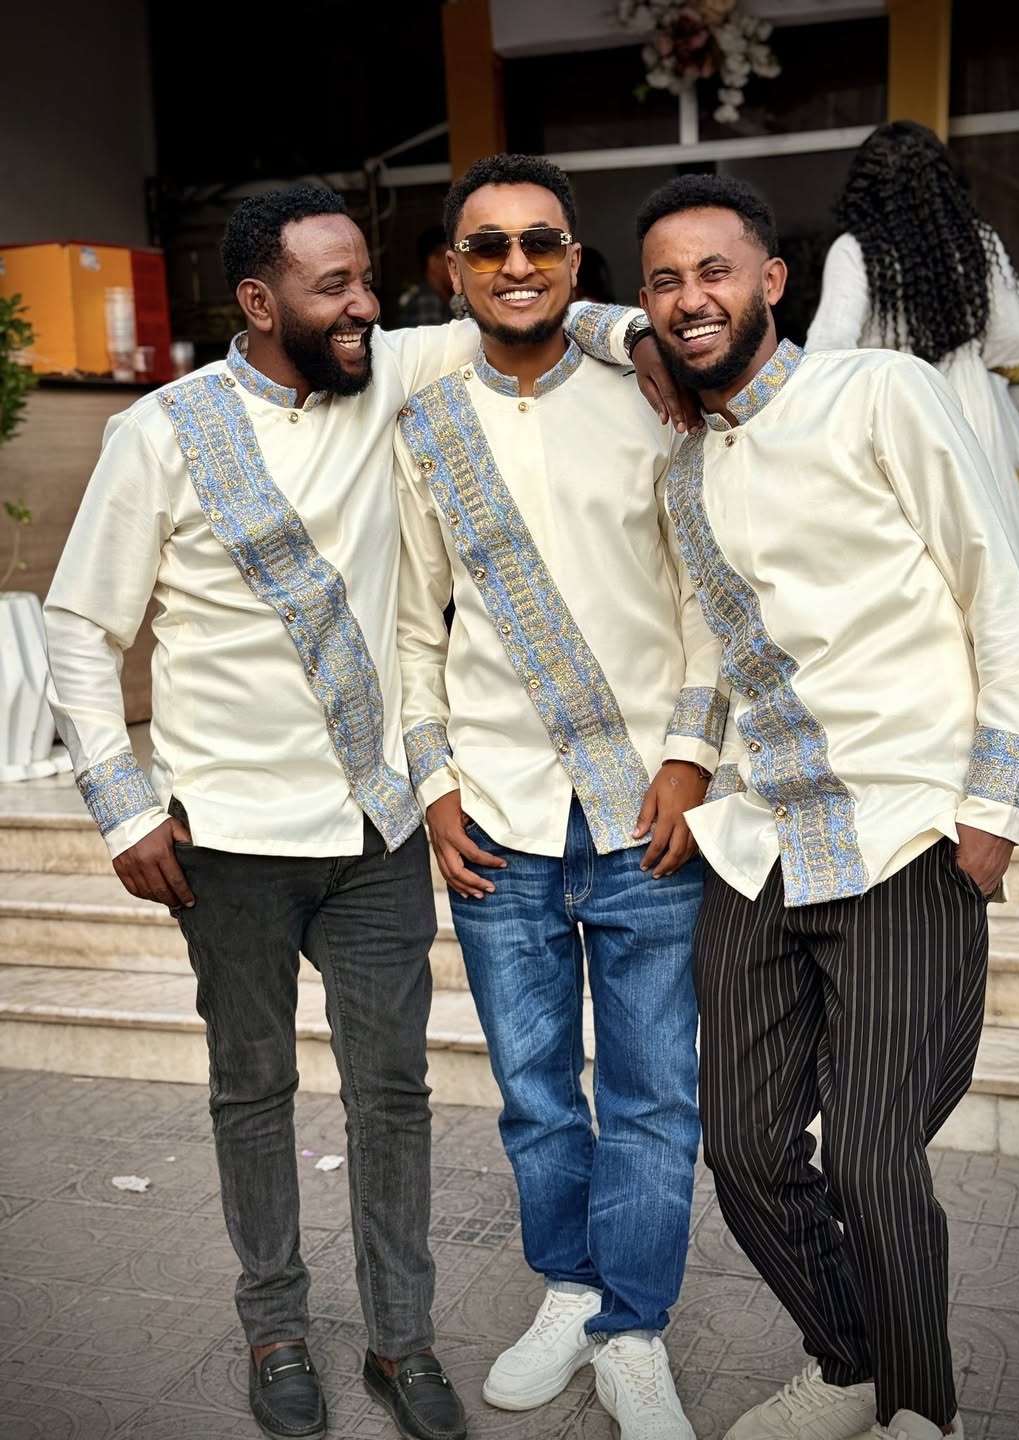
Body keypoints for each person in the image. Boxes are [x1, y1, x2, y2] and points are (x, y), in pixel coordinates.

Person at [42, 183, 681, 1440]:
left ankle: (402, 1342)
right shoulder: (162, 432)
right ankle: (276, 1327)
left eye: (366, 283)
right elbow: (78, 625)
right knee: (251, 1092)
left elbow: (526, 301)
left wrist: (639, 334)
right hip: (226, 839)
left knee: (393, 1099)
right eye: (332, 287)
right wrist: (123, 808)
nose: (363, 307)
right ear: (258, 301)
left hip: (377, 832)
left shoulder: (384, 368)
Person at [636, 172, 1019, 1440]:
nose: (689, 299)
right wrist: (687, 761)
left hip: (904, 825)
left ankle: (923, 1410)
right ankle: (850, 1362)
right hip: (759, 842)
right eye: (663, 282)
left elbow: (996, 588)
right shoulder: (684, 471)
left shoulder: (881, 392)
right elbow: (706, 646)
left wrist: (995, 802)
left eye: (715, 270)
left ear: (774, 280)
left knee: (871, 1153)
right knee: (745, 1151)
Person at [394, 153, 725, 1440]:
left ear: (577, 262)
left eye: (541, 242)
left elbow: (708, 595)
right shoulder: (426, 420)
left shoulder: (651, 396)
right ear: (455, 269)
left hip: (645, 810)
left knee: (653, 1091)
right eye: (489, 247)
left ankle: (631, 1331)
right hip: (500, 815)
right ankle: (571, 1291)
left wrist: (692, 758)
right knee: (535, 1088)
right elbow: (413, 626)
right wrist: (433, 783)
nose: (517, 265)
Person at [805, 119, 1019, 792]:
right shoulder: (977, 241)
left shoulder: (856, 251)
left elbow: (827, 352)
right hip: (975, 416)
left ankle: (938, 754)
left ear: (865, 188)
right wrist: (969, 357)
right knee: (999, 576)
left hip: (895, 417)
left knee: (917, 581)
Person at [398, 224, 456, 326]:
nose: (457, 266)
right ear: (434, 262)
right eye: (451, 259)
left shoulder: (439, 299)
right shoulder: (427, 302)